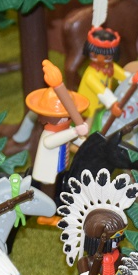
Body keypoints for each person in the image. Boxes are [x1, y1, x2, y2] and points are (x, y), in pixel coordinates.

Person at [25, 61, 90, 210]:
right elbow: (50, 142)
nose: (67, 120)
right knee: (48, 189)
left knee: (59, 185)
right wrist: (75, 131)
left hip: (60, 166)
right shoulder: (50, 133)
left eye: (68, 117)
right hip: (48, 171)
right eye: (63, 117)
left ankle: (55, 205)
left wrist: (87, 142)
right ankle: (46, 211)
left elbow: (76, 140)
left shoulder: (65, 131)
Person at [78, 23, 126, 123]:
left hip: (102, 108)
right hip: (89, 112)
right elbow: (102, 91)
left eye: (107, 57)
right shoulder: (90, 75)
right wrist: (113, 103)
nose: (100, 59)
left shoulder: (110, 67)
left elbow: (124, 76)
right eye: (94, 55)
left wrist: (133, 79)